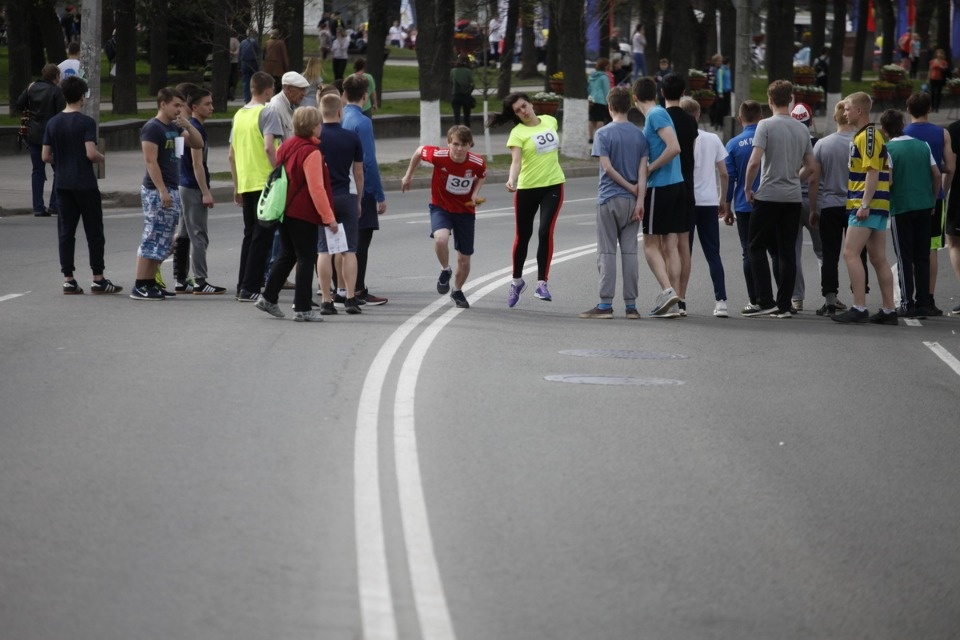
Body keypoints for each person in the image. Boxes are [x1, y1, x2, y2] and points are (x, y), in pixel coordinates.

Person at [254, 106, 338, 322]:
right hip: (303, 212)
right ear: (312, 126)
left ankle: (268, 298)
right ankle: (302, 308)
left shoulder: (287, 146)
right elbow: (316, 188)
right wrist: (329, 218)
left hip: (285, 209)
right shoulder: (311, 152)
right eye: (318, 123)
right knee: (305, 257)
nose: (321, 127)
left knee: (287, 254)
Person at [742, 80, 815, 318]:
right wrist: (796, 178)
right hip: (792, 197)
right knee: (786, 251)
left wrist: (747, 188)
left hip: (768, 194)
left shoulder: (765, 125)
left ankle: (765, 299)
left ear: (770, 100)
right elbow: (811, 166)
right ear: (790, 99)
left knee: (755, 245)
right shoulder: (802, 129)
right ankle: (784, 304)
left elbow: (754, 161)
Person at [41, 76, 120, 295]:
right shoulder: (86, 122)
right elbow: (90, 153)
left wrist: (63, 160)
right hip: (85, 183)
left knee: (66, 232)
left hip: (62, 183)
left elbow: (45, 156)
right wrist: (101, 157)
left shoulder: (53, 122)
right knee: (94, 230)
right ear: (82, 97)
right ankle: (98, 278)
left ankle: (68, 278)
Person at [487, 93, 566, 307]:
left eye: (524, 106)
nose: (523, 111)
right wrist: (511, 179)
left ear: (531, 104)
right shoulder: (517, 133)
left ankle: (542, 283)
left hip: (553, 185)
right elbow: (515, 161)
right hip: (527, 188)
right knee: (523, 236)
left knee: (545, 231)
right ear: (516, 115)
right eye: (518, 110)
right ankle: (517, 281)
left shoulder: (550, 121)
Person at [579, 86, 648, 319]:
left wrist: (626, 186)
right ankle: (631, 306)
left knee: (607, 252)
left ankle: (605, 305)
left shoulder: (603, 133)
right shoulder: (639, 135)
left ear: (609, 107)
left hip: (609, 198)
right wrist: (639, 199)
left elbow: (606, 167)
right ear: (629, 106)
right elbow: (642, 171)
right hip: (632, 203)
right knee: (630, 253)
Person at [400, 125, 487, 309]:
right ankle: (445, 270)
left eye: (464, 145)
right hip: (441, 207)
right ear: (448, 143)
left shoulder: (477, 162)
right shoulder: (438, 156)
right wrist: (408, 176)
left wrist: (475, 193)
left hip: (465, 211)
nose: (459, 149)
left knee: (464, 260)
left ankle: (457, 290)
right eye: (455, 144)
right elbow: (418, 151)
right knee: (441, 239)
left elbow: (481, 176)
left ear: (470, 145)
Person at [130, 87, 203, 301]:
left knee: (162, 238)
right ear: (163, 104)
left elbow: (197, 143)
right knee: (152, 235)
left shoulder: (174, 127)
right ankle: (140, 284)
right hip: (156, 189)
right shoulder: (153, 128)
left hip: (172, 186)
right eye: (176, 105)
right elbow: (150, 162)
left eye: (182, 106)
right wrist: (162, 190)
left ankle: (151, 282)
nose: (179, 110)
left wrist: (188, 124)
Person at [831, 92, 897, 324]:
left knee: (850, 253)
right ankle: (889, 310)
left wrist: (865, 204)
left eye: (848, 109)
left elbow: (872, 171)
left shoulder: (867, 136)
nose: (844, 113)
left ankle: (859, 307)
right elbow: (887, 174)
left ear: (859, 111)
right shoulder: (872, 135)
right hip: (878, 204)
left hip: (866, 205)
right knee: (878, 258)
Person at [881, 108, 941, 318]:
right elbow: (936, 174)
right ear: (903, 123)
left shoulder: (887, 149)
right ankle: (924, 302)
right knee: (922, 256)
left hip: (901, 206)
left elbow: (888, 180)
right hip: (924, 205)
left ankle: (908, 302)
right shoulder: (922, 145)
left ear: (884, 129)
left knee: (904, 257)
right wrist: (932, 199)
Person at [632, 76, 683, 318]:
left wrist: (651, 168)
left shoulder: (655, 115)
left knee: (650, 244)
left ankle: (668, 292)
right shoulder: (659, 114)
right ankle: (675, 301)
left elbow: (674, 147)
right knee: (669, 246)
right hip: (674, 185)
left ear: (635, 98)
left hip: (661, 186)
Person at [903, 90, 955, 315]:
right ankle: (928, 297)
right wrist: (943, 188)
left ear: (908, 110)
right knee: (931, 248)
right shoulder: (942, 133)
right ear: (930, 109)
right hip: (934, 198)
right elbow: (950, 167)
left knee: (908, 250)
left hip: (906, 198)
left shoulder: (902, 132)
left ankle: (909, 298)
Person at [171, 87, 226, 295]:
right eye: (207, 104)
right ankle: (200, 281)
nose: (211, 107)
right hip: (192, 186)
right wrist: (206, 191)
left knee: (184, 233)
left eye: (211, 103)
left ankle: (180, 279)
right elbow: (197, 164)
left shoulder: (187, 127)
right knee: (199, 235)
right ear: (194, 107)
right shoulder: (195, 129)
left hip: (183, 184)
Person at [808, 100, 858, 316]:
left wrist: (813, 209)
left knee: (830, 254)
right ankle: (859, 297)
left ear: (835, 118)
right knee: (858, 254)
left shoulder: (822, 144)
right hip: (855, 205)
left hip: (829, 205)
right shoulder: (860, 142)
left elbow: (814, 180)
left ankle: (830, 298)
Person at [681, 96, 730, 317]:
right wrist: (723, 199)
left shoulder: (678, 139)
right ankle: (721, 301)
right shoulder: (713, 139)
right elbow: (724, 173)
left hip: (686, 202)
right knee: (713, 253)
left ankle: (680, 301)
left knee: (684, 253)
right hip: (709, 202)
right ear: (699, 115)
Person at [229, 71, 276, 302]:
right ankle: (251, 287)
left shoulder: (239, 115)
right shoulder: (267, 112)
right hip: (265, 181)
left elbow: (231, 155)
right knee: (262, 237)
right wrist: (279, 172)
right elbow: (269, 147)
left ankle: (243, 285)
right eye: (273, 88)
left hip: (247, 181)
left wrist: (236, 185)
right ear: (267, 90)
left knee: (250, 235)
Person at [342, 74, 388, 305]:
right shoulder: (363, 122)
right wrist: (378, 194)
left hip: (341, 184)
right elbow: (368, 161)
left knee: (345, 241)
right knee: (362, 240)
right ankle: (358, 288)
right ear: (365, 95)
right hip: (362, 188)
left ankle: (344, 287)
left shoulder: (342, 117)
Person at [317, 93, 364, 315]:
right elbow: (358, 172)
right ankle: (351, 298)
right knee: (349, 250)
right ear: (339, 112)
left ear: (320, 112)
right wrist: (359, 199)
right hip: (346, 195)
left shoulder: (315, 139)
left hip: (323, 198)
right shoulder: (351, 137)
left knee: (324, 250)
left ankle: (327, 299)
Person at [662, 74, 698, 316]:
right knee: (684, 244)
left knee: (668, 244)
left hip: (665, 184)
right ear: (683, 92)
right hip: (687, 184)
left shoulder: (659, 118)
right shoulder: (690, 121)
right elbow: (691, 155)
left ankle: (670, 294)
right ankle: (682, 297)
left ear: (662, 92)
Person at [725, 100, 763, 312]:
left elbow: (730, 178)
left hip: (744, 204)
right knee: (776, 252)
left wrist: (727, 205)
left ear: (740, 119)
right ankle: (786, 301)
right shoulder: (769, 138)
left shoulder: (733, 144)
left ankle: (754, 300)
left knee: (748, 252)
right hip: (772, 200)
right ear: (761, 117)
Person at [788, 102, 824, 312]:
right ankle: (829, 294)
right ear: (812, 121)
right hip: (815, 201)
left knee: (793, 252)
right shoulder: (818, 144)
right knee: (822, 251)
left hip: (791, 201)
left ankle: (796, 297)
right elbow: (818, 176)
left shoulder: (789, 143)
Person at [16, 64, 65, 217]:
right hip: (51, 136)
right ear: (56, 76)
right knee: (58, 170)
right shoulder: (57, 91)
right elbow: (61, 114)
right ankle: (54, 205)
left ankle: (38, 207)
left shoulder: (32, 88)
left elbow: (19, 104)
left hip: (33, 134)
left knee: (37, 170)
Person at [587, 58, 612, 144]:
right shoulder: (604, 77)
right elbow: (606, 90)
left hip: (591, 100)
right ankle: (599, 138)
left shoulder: (591, 76)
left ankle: (590, 137)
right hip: (601, 101)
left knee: (591, 119)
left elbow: (589, 88)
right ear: (605, 66)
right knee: (600, 120)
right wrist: (608, 101)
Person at [450, 54, 475, 128]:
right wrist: (469, 92)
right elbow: (473, 84)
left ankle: (456, 134)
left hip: (456, 96)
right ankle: (467, 133)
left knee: (456, 118)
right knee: (467, 117)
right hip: (466, 96)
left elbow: (451, 81)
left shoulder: (453, 71)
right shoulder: (468, 71)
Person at [263, 30, 289, 94]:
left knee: (269, 83)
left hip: (268, 68)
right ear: (278, 36)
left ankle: (269, 95)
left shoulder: (267, 43)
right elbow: (284, 56)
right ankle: (276, 96)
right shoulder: (281, 43)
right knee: (278, 84)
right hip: (278, 68)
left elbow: (263, 55)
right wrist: (286, 68)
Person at [709, 54, 731, 130]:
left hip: (727, 91)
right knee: (719, 108)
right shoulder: (721, 70)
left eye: (721, 60)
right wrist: (720, 92)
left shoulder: (727, 70)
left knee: (726, 108)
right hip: (721, 91)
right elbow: (720, 82)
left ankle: (722, 123)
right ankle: (718, 123)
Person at [238, 29, 260, 103]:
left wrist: (239, 66)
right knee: (255, 81)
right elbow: (258, 53)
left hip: (244, 63)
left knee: (246, 82)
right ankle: (255, 97)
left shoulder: (242, 42)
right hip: (253, 63)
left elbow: (239, 54)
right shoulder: (255, 42)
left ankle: (247, 99)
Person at [928, 48, 949, 112]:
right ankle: (932, 107)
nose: (939, 54)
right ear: (936, 54)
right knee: (932, 93)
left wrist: (940, 66)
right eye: (938, 53)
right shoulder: (932, 61)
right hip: (932, 78)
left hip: (940, 79)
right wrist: (928, 78)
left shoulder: (944, 62)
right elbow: (930, 70)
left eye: (941, 53)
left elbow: (945, 69)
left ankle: (937, 107)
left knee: (938, 93)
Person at [228, 33, 240, 101]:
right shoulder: (235, 41)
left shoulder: (225, 40)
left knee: (228, 77)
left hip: (227, 62)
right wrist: (234, 53)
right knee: (234, 78)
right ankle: (232, 91)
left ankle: (228, 93)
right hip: (234, 62)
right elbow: (238, 50)